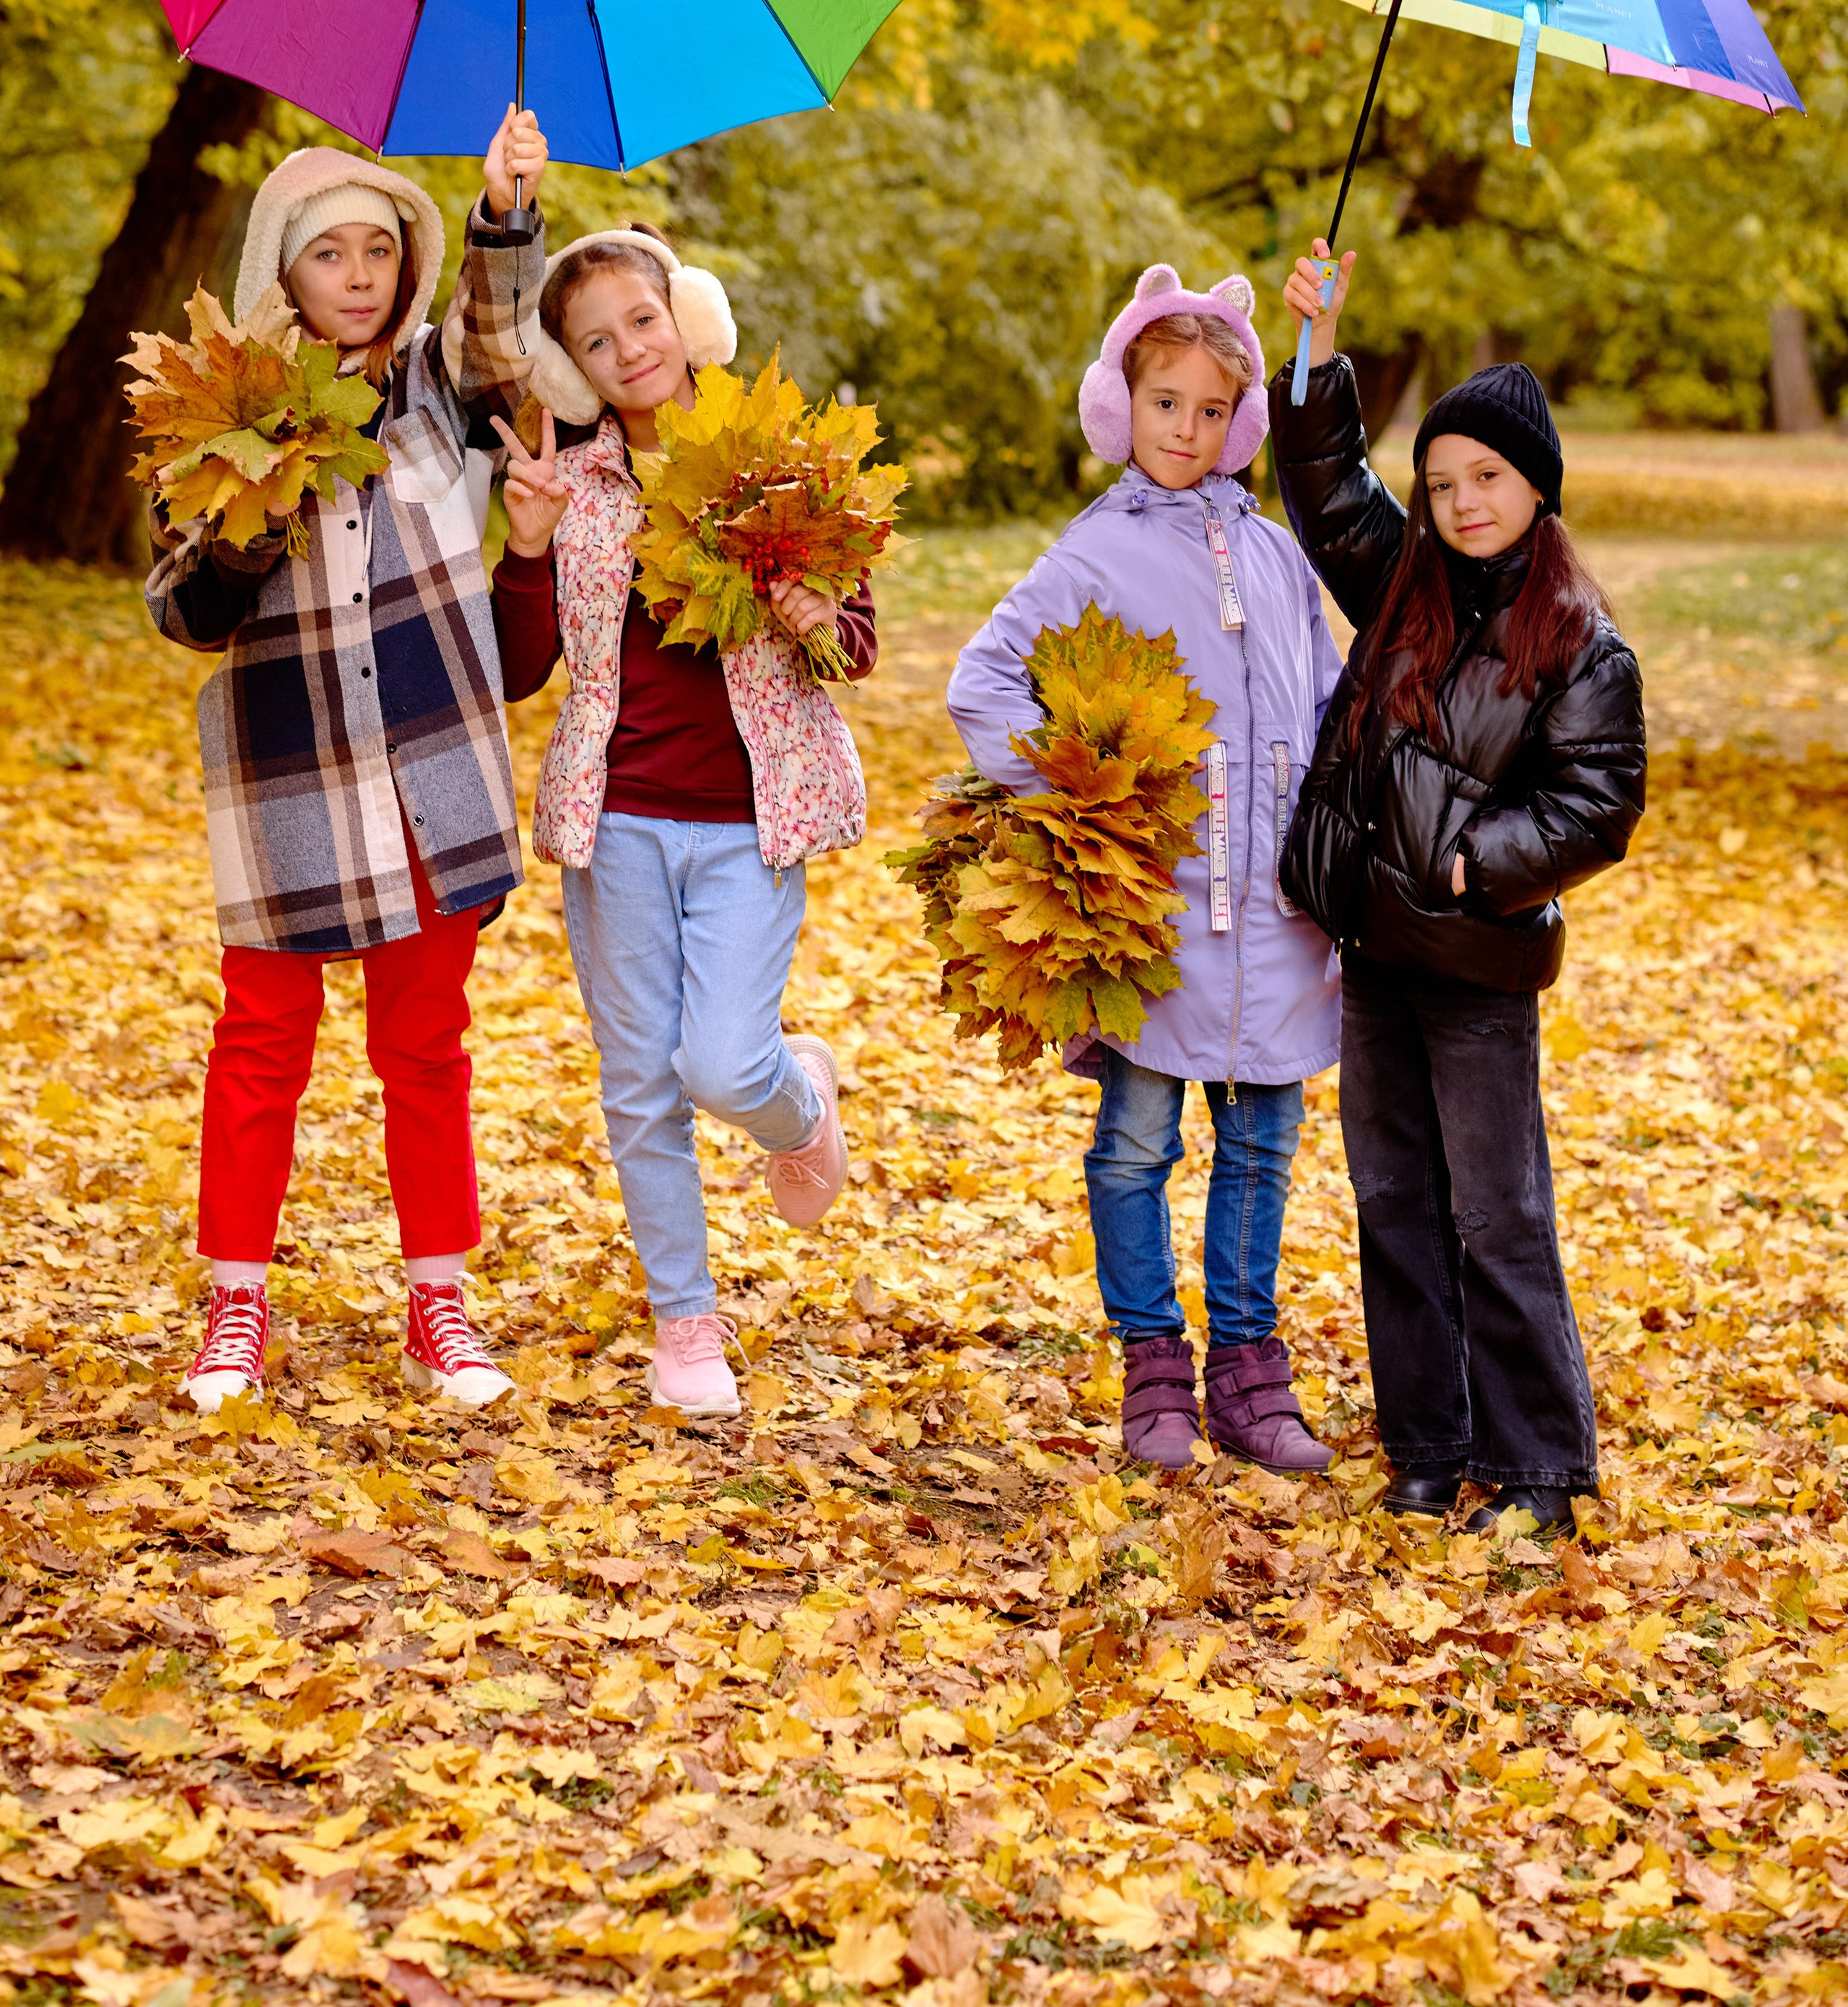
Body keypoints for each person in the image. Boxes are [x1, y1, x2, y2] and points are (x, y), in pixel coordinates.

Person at [148, 110, 547, 1414]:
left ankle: (440, 1304)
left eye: (383, 248)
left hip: (432, 775)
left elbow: (499, 343)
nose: (363, 273)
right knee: (263, 1043)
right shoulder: (221, 414)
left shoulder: (434, 388)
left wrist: (501, 214)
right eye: (334, 254)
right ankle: (235, 1308)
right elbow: (182, 611)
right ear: (286, 273)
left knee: (426, 1046)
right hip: (293, 784)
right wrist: (254, 511)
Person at [1271, 241, 1647, 1538]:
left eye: (1485, 478)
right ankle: (1430, 1447)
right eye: (1440, 482)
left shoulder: (1584, 645)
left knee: (1497, 1213)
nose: (1462, 500)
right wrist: (1318, 351)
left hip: (1478, 965)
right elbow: (1324, 489)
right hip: (1378, 953)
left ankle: (1541, 1467)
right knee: (1393, 1205)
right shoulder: (1402, 583)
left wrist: (1474, 862)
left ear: (1536, 486)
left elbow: (1600, 806)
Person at [946, 266, 1345, 1472]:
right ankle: (1154, 1365)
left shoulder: (1277, 556)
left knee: (1263, 1142)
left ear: (1241, 421)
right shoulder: (1094, 553)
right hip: (1154, 917)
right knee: (1135, 1140)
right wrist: (1080, 802)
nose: (1186, 428)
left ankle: (1247, 1368)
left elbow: (1328, 701)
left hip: (1275, 911)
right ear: (1124, 407)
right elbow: (984, 683)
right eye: (1163, 402)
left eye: (1212, 408)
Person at [484, 222, 871, 1420]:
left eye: (641, 322)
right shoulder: (578, 479)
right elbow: (517, 668)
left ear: (685, 315)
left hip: (754, 818)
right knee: (640, 1080)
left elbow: (852, 648)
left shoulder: (777, 464)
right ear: (574, 369)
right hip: (618, 824)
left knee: (721, 1063)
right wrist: (528, 543)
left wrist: (813, 610)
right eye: (596, 343)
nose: (628, 351)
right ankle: (686, 1322)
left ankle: (798, 1101)